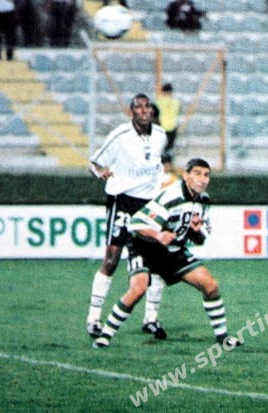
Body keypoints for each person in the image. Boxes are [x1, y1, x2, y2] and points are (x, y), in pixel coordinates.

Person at [93, 158, 242, 349]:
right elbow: (136, 223)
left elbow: (200, 239)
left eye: (206, 175)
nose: (202, 179)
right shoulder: (171, 196)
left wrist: (195, 232)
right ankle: (105, 335)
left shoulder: (203, 200)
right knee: (137, 290)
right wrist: (158, 234)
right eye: (197, 173)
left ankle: (223, 338)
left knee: (210, 286)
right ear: (186, 176)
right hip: (144, 247)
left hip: (171, 250)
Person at [86, 93, 169, 341]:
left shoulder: (160, 136)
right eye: (139, 107)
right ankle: (93, 319)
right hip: (122, 200)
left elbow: (157, 163)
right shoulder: (120, 136)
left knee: (157, 261)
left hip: (149, 204)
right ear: (131, 112)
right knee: (112, 258)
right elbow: (94, 162)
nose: (144, 110)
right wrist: (100, 172)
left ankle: (151, 319)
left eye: (147, 107)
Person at [155, 83, 182, 154]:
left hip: (161, 127)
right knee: (169, 147)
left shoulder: (158, 101)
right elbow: (179, 110)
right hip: (173, 127)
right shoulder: (176, 102)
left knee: (159, 146)